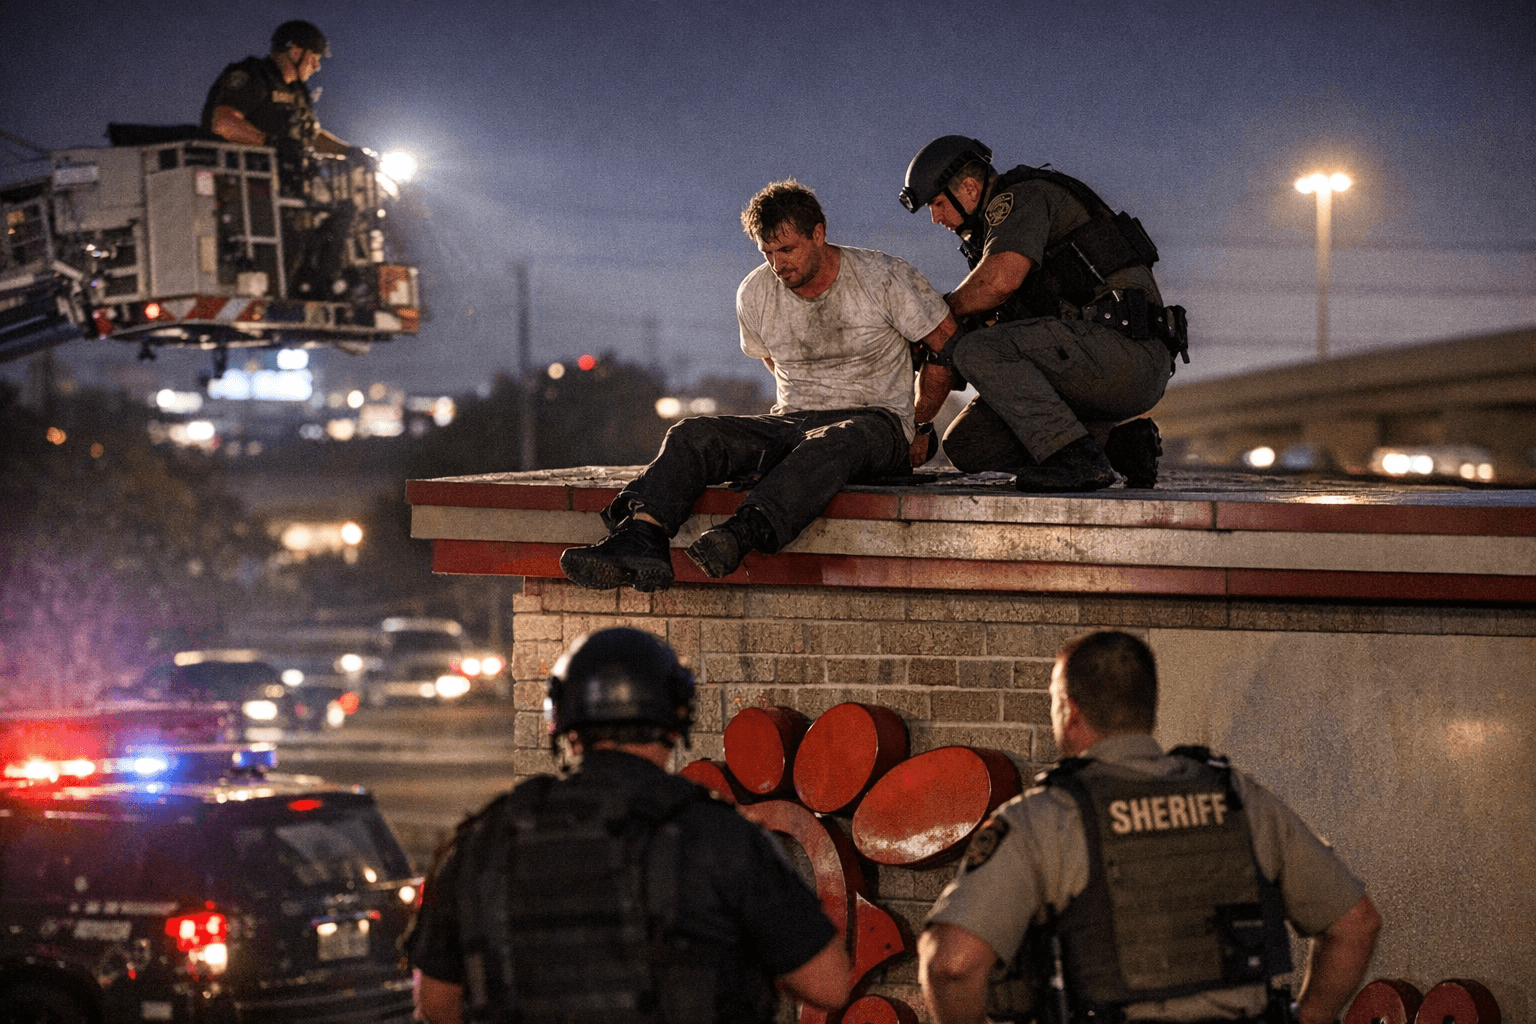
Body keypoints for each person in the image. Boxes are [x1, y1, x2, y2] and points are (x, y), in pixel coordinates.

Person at [919, 631, 1381, 1024]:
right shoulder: (1239, 798)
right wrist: (1311, 1016)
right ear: (1149, 708)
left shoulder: (1044, 819)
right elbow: (1356, 922)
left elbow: (953, 964)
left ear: (1069, 710)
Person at [406, 627, 851, 1024]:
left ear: (564, 726)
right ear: (676, 722)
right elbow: (829, 985)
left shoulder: (485, 840)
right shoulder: (721, 837)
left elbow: (437, 1003)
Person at [560, 179, 957, 592]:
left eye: (787, 250)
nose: (777, 264)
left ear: (818, 234)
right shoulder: (755, 292)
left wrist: (917, 422)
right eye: (767, 253)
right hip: (795, 421)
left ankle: (740, 535)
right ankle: (641, 537)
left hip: (876, 423)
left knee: (836, 439)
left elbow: (945, 344)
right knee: (693, 434)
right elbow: (773, 361)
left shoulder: (883, 278)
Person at [899, 136, 1189, 491]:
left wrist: (935, 315)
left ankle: (1077, 463)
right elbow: (947, 343)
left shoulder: (1020, 198)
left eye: (938, 202)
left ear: (970, 188)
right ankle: (1119, 447)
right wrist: (921, 427)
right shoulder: (996, 239)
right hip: (1084, 364)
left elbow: (999, 281)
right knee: (968, 443)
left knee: (979, 349)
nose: (935, 217)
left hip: (1126, 353)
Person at [200, 20, 354, 175]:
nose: (316, 66)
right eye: (314, 58)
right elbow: (223, 123)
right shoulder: (254, 75)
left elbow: (311, 136)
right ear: (295, 52)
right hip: (241, 178)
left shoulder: (298, 91)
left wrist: (348, 151)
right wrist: (272, 144)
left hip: (286, 182)